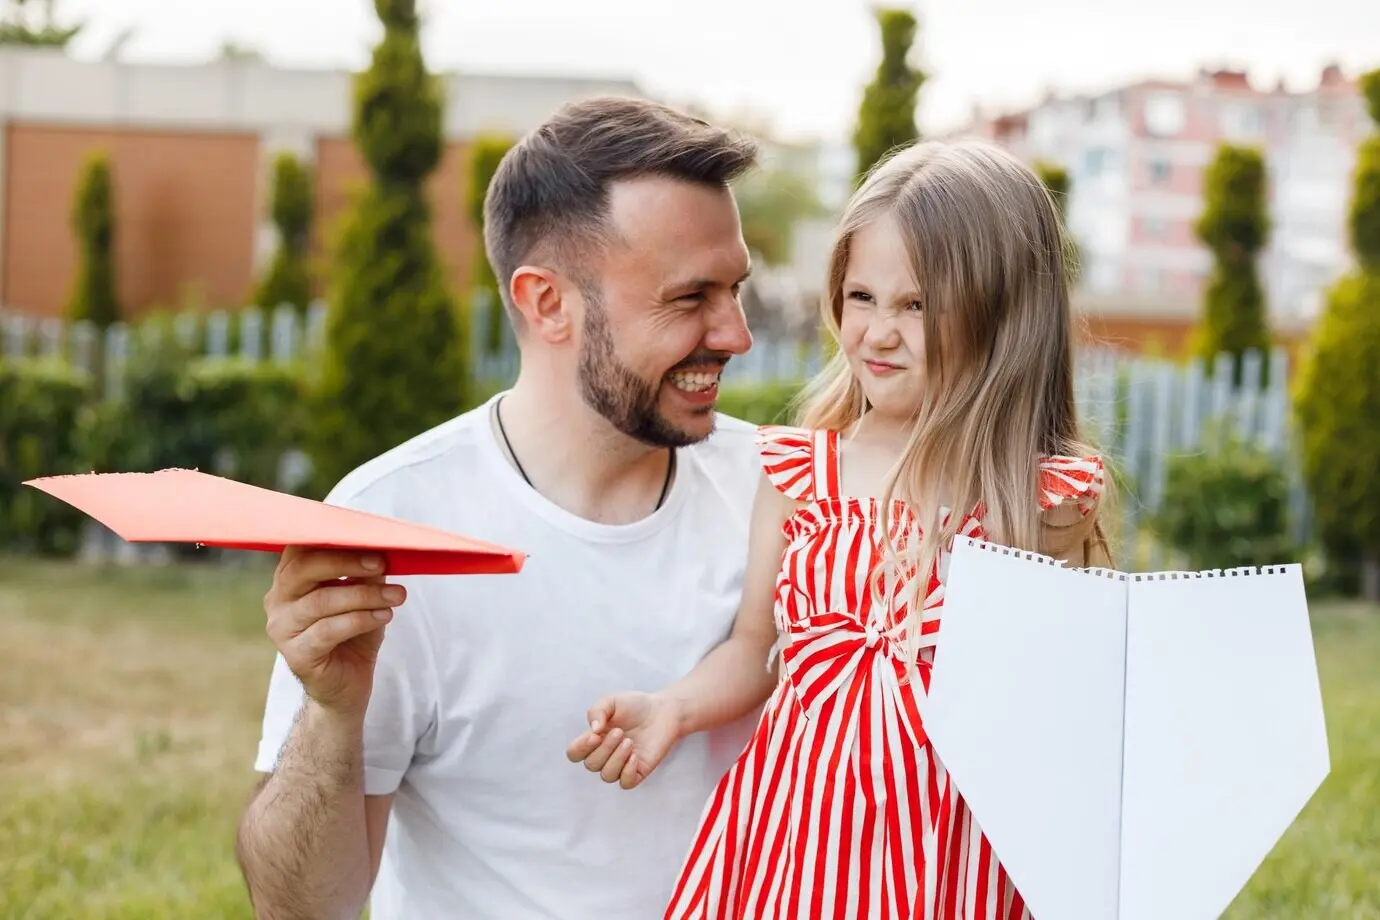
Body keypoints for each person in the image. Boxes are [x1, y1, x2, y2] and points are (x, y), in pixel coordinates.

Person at [235, 96, 768, 920]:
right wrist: (333, 720)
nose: (735, 334)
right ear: (546, 302)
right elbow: (302, 910)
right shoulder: (397, 524)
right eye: (689, 296)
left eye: (735, 289)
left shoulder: (785, 493)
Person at [565, 138, 1114, 919]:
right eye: (862, 297)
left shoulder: (1039, 502)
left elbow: (1058, 701)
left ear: (1005, 318)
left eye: (917, 306)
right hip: (800, 842)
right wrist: (674, 710)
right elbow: (757, 650)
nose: (879, 334)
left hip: (951, 850)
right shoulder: (802, 478)